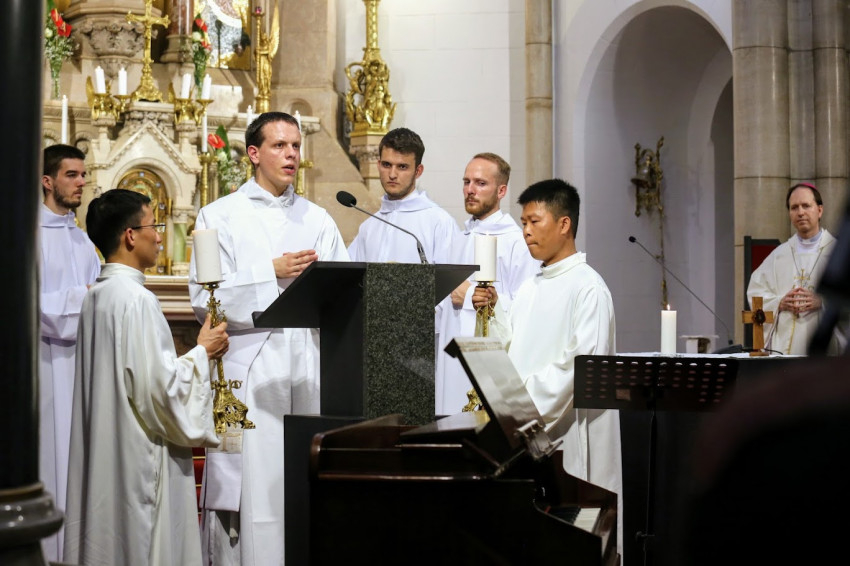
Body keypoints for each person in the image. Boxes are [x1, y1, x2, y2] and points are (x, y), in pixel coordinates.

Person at [189, 111, 349, 565]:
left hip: (308, 369)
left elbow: (342, 289)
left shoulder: (318, 219)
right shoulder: (220, 215)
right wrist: (270, 272)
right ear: (254, 154)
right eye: (280, 146)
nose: (291, 154)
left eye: (296, 146)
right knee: (256, 490)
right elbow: (206, 299)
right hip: (252, 371)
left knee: (302, 483)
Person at [64, 189, 229, 566]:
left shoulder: (96, 296)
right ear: (129, 235)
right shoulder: (137, 300)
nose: (159, 236)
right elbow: (161, 391)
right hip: (140, 455)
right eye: (153, 226)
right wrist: (202, 351)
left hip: (109, 450)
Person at [473, 178, 622, 555]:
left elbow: (577, 370)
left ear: (564, 224)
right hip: (528, 440)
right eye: (523, 222)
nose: (525, 231)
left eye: (534, 221)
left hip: (564, 438)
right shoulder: (531, 287)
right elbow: (512, 346)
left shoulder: (589, 288)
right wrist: (492, 311)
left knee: (573, 547)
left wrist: (515, 408)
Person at [434, 153, 538, 414]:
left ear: (501, 191)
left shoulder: (515, 242)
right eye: (466, 182)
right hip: (450, 357)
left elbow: (527, 307)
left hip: (489, 361)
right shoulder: (456, 239)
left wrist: (472, 297)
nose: (470, 190)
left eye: (480, 183)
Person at [38, 143, 101, 563]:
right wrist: (87, 297)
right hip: (45, 365)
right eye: (72, 175)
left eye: (83, 175)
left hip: (81, 363)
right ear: (48, 181)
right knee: (50, 460)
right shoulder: (29, 234)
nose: (82, 182)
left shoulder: (82, 239)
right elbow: (34, 305)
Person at [747, 182, 846, 354]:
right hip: (784, 353)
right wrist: (779, 303)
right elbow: (756, 294)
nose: (800, 212)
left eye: (806, 206)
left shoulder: (839, 253)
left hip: (826, 353)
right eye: (794, 207)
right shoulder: (778, 255)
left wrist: (824, 302)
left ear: (819, 210)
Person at [347, 127, 458, 264]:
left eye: (402, 167)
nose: (392, 174)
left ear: (418, 171)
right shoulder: (368, 227)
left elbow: (452, 276)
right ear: (378, 165)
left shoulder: (439, 223)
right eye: (387, 165)